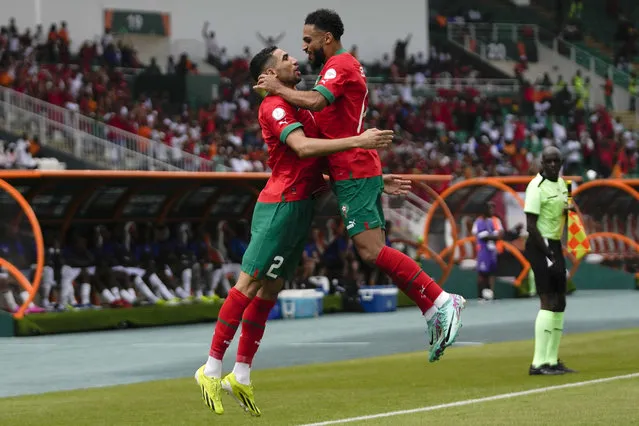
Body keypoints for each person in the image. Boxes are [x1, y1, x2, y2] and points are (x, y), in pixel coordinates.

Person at [195, 45, 400, 417]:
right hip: (280, 206)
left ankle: (240, 373)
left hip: (300, 206)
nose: (294, 60)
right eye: (286, 57)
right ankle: (210, 368)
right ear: (270, 74)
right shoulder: (274, 107)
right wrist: (359, 140)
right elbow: (303, 149)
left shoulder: (298, 106)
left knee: (269, 290)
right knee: (248, 284)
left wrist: (374, 180)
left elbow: (319, 166)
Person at [255, 8, 465, 363]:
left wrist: (276, 87)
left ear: (327, 38)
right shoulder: (336, 67)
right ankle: (432, 311)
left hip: (353, 169)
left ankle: (443, 300)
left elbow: (318, 101)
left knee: (371, 251)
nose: (303, 47)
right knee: (374, 251)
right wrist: (377, 180)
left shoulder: (339, 65)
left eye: (308, 40)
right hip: (352, 171)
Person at [524, 146, 576, 375]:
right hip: (539, 245)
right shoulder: (535, 187)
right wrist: (548, 253)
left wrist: (570, 212)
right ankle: (538, 363)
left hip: (555, 245)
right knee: (547, 300)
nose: (553, 165)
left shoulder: (564, 185)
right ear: (542, 163)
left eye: (557, 161)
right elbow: (530, 226)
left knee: (560, 302)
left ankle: (553, 360)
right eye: (549, 161)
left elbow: (567, 212)